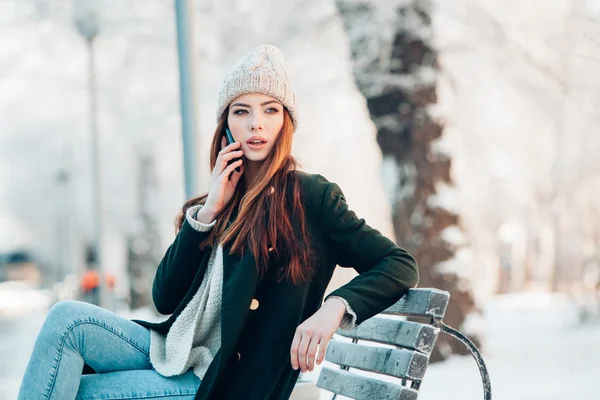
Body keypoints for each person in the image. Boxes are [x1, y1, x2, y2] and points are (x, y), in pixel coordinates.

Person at [17, 44, 419, 400]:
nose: (256, 124)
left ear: (285, 122)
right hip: (180, 352)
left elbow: (399, 263)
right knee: (66, 319)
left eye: (270, 110)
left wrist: (335, 307)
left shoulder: (309, 197)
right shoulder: (219, 202)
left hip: (225, 381)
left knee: (81, 392)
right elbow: (165, 298)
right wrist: (208, 212)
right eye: (242, 111)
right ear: (226, 124)